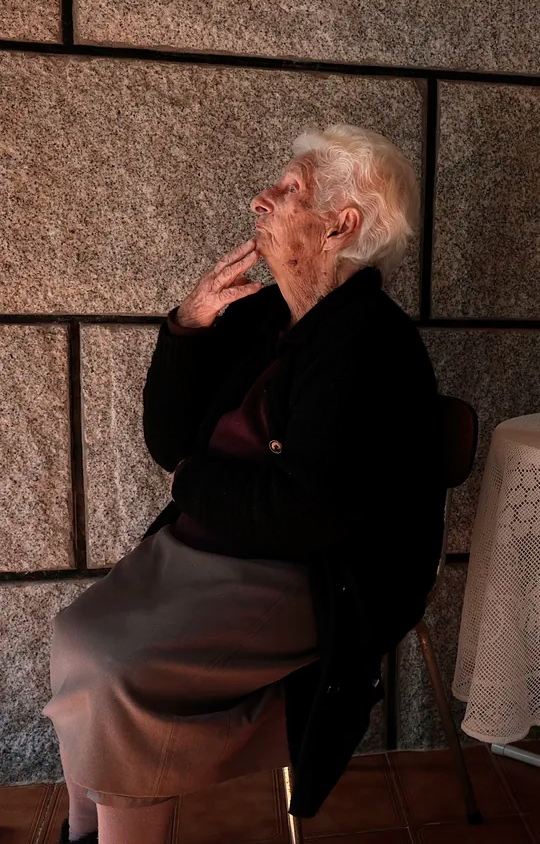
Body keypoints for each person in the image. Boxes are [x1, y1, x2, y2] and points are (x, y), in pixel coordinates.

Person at [43, 124, 446, 844]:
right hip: (214, 543)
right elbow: (168, 441)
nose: (262, 198)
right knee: (77, 636)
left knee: (115, 672)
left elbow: (301, 514)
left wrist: (193, 477)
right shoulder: (263, 313)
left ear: (340, 225)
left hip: (308, 570)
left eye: (290, 189)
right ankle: (82, 833)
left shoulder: (368, 345)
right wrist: (188, 327)